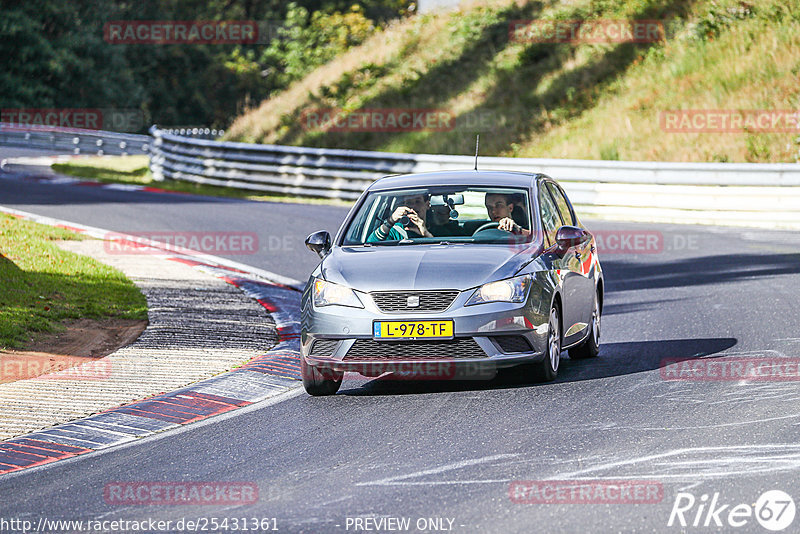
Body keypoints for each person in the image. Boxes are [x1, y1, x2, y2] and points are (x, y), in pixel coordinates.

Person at [367, 193, 433, 242]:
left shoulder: (436, 227)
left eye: (417, 202)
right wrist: (390, 221)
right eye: (409, 202)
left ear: (427, 205)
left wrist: (426, 234)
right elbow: (370, 243)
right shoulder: (395, 230)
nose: (413, 206)